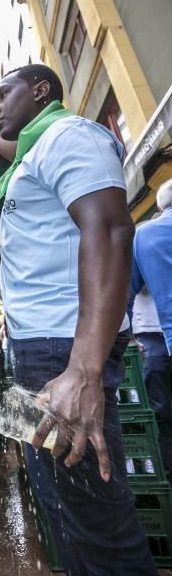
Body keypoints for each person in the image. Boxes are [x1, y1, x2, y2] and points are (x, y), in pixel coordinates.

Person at [0, 65, 166, 576]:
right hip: (39, 353)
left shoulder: (70, 135)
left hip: (67, 352)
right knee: (68, 516)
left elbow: (109, 229)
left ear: (41, 92)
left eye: (3, 93)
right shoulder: (32, 151)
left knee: (101, 528)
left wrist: (83, 369)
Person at [129, 184, 172, 484]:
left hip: (153, 341)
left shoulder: (144, 236)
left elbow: (126, 293)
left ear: (158, 209)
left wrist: (128, 337)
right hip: (154, 338)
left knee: (164, 416)